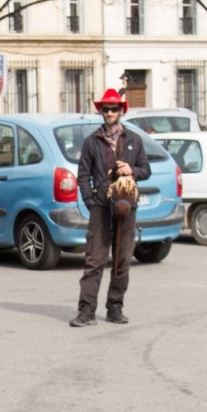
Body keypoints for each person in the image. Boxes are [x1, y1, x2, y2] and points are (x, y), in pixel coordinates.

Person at [70, 88, 151, 327]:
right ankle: (86, 310)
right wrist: (90, 200)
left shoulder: (134, 140)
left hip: (126, 206)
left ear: (121, 111)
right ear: (101, 111)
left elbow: (146, 170)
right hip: (101, 208)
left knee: (122, 258)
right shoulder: (91, 141)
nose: (110, 112)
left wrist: (132, 170)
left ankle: (115, 307)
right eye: (106, 109)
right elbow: (83, 175)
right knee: (94, 259)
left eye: (114, 109)